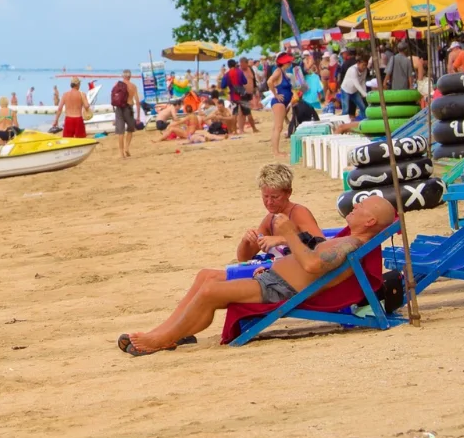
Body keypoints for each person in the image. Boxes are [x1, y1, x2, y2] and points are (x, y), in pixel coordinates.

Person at [117, 196, 397, 355]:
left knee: (210, 292)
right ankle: (167, 332)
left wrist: (287, 234)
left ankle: (160, 340)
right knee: (207, 276)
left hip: (281, 290)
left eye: (362, 207)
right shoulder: (348, 239)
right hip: (273, 279)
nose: (355, 206)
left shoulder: (352, 244)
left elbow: (312, 266)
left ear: (370, 221)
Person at [267, 52, 293, 158]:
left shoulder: (283, 72)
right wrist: (275, 94)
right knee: (278, 127)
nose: (290, 63)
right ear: (285, 63)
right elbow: (269, 81)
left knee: (278, 127)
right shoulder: (278, 71)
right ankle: (276, 152)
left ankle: (276, 151)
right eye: (289, 62)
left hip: (282, 103)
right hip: (278, 102)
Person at [113, 69, 139, 158]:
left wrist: (114, 115)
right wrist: (138, 116)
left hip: (119, 108)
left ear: (123, 76)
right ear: (130, 76)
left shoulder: (117, 84)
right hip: (128, 108)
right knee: (130, 129)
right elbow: (137, 102)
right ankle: (127, 148)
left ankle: (121, 153)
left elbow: (113, 97)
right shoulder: (133, 86)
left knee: (120, 132)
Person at [340, 54, 369, 120]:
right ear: (358, 63)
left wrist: (364, 93)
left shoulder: (365, 70)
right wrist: (364, 94)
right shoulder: (353, 70)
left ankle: (365, 120)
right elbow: (356, 84)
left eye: (365, 65)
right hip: (346, 90)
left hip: (354, 91)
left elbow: (363, 82)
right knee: (346, 109)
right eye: (363, 65)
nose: (364, 67)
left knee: (363, 107)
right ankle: (343, 123)